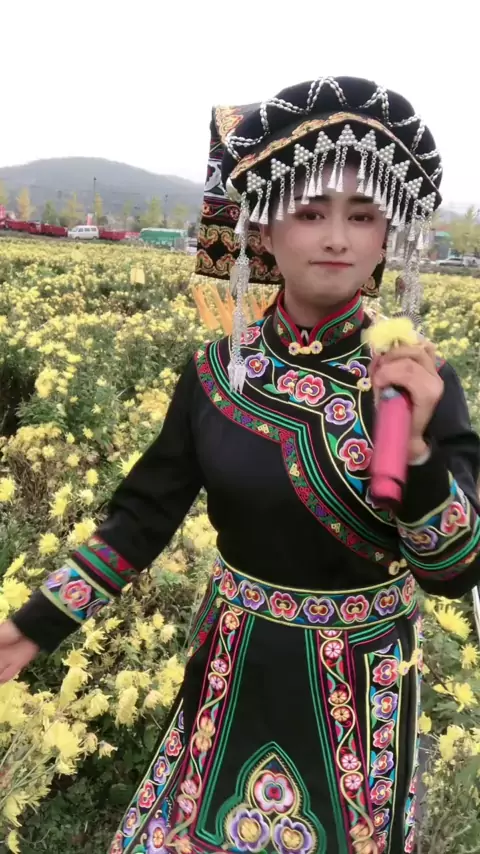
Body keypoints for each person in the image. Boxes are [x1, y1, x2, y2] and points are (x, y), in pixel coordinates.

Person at [2, 76, 480, 854]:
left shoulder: (417, 382)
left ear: (387, 237)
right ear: (265, 230)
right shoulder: (216, 376)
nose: (337, 238)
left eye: (362, 216)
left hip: (361, 691)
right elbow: (141, 519)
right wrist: (32, 626)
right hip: (232, 666)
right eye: (311, 213)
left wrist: (420, 453)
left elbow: (455, 571)